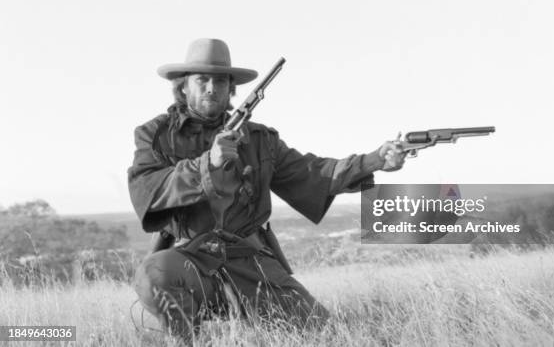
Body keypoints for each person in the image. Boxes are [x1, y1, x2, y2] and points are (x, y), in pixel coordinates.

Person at [128, 38, 406, 340]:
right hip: (192, 261)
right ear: (183, 87)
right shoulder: (155, 136)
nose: (211, 87)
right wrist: (208, 163)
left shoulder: (260, 140)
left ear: (231, 88)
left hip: (251, 261)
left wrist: (375, 160)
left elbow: (312, 172)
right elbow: (148, 189)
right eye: (202, 80)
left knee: (327, 335)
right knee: (153, 274)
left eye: (220, 80)